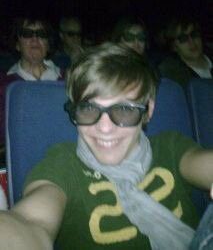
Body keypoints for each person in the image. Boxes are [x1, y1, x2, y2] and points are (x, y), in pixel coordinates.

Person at [0, 43, 213, 250]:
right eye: (88, 109)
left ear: (147, 111)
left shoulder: (171, 147)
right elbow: (31, 221)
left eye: (124, 110)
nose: (104, 128)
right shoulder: (63, 165)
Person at [0, 17, 63, 167]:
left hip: (63, 159)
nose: (35, 38)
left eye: (41, 34)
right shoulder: (4, 86)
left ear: (48, 43)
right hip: (21, 162)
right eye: (27, 33)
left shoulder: (68, 79)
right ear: (17, 44)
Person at [158, 16, 213, 88]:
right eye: (183, 38)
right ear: (174, 46)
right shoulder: (174, 76)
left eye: (194, 34)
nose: (191, 42)